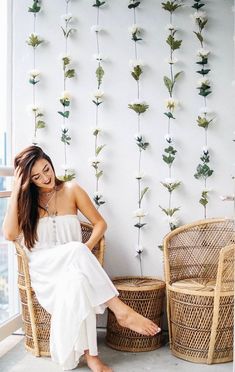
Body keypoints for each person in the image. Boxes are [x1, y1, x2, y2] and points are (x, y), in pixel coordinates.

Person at [2, 145, 160, 372]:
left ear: (50, 161)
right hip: (44, 269)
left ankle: (92, 357)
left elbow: (100, 224)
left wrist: (84, 250)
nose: (45, 178)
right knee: (76, 255)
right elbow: (8, 234)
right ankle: (120, 311)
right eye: (36, 177)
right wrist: (17, 190)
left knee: (79, 281)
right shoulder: (26, 201)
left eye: (47, 169)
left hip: (74, 265)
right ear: (28, 180)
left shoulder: (71, 189)